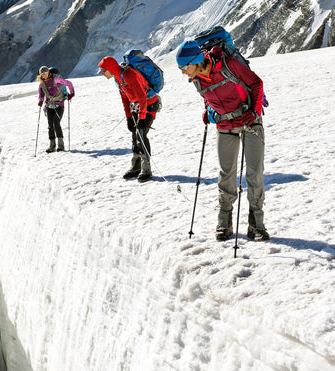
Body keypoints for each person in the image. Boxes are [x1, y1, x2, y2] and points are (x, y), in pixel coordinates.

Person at [176, 40, 269, 241]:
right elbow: (208, 99)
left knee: (254, 173)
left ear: (196, 61)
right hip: (225, 126)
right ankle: (224, 222)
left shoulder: (229, 64)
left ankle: (257, 224)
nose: (183, 72)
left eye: (184, 67)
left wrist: (254, 111)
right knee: (226, 174)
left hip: (250, 122)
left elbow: (256, 83)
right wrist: (208, 112)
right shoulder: (197, 79)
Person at [97, 56, 160, 181]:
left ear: (110, 68)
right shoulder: (117, 78)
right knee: (135, 137)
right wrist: (128, 117)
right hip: (137, 108)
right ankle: (136, 167)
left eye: (103, 71)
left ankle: (146, 170)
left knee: (141, 136)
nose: (103, 74)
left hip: (148, 105)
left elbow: (142, 96)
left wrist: (142, 117)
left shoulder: (128, 75)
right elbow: (125, 98)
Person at [37, 66, 74, 152]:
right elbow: (41, 94)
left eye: (45, 73)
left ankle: (61, 145)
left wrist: (72, 93)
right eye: (42, 74)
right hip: (49, 106)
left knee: (56, 123)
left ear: (48, 73)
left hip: (59, 104)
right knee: (50, 126)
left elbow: (68, 83)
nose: (44, 75)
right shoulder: (41, 84)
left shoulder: (56, 79)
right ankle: (52, 145)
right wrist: (41, 100)